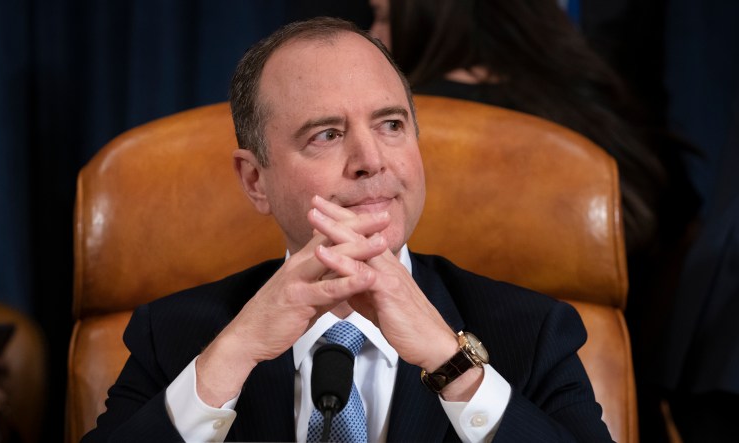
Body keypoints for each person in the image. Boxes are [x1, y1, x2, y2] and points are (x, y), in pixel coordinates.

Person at [83, 17, 611, 442]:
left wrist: (455, 368)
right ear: (255, 181)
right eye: (327, 134)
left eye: (391, 125)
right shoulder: (175, 337)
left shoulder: (533, 333)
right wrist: (233, 355)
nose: (370, 160)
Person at [368, 1, 701, 440]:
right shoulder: (605, 116)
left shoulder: (395, 150)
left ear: (431, 18)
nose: (372, 35)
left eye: (384, 16)